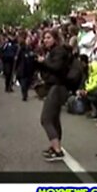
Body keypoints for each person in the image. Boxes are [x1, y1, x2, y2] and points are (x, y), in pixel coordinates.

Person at [37, 29, 71, 161]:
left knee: (46, 119)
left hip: (57, 87)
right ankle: (55, 146)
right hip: (55, 87)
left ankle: (57, 151)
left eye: (48, 37)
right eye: (44, 38)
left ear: (55, 39)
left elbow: (56, 68)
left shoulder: (59, 51)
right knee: (54, 118)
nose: (45, 40)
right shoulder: (54, 51)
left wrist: (43, 62)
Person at [15, 34, 36, 101]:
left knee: (28, 82)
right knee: (23, 82)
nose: (29, 41)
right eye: (28, 40)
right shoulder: (21, 49)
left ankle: (25, 91)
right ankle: (24, 94)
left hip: (30, 69)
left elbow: (34, 57)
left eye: (30, 40)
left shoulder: (32, 49)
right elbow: (17, 59)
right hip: (22, 68)